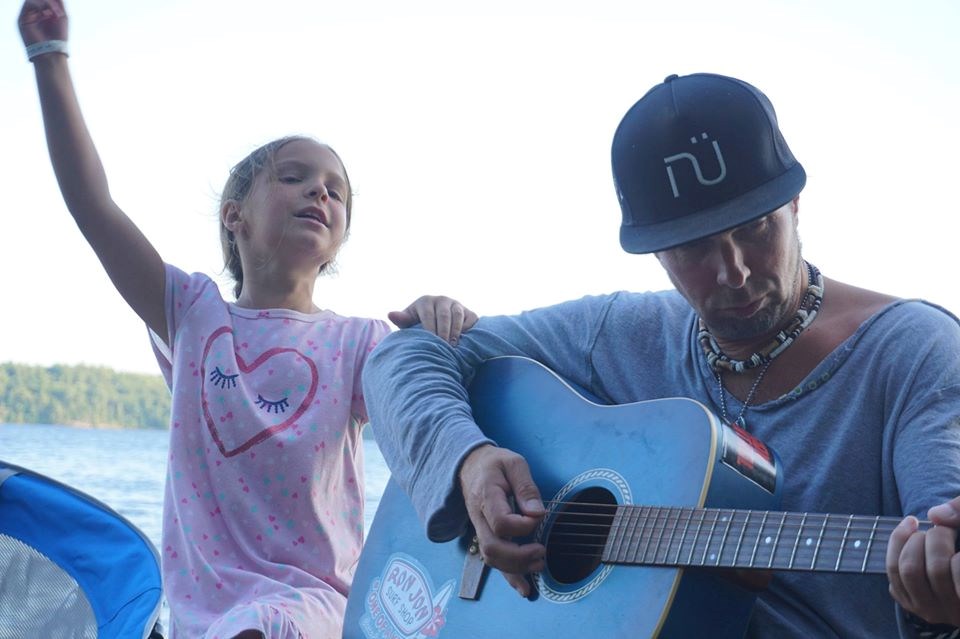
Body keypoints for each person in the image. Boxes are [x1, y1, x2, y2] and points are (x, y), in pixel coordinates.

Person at [362, 72, 960, 636]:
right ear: (657, 254)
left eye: (756, 228)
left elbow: (942, 531)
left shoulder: (914, 352)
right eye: (695, 248)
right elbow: (404, 356)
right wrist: (467, 461)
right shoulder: (624, 332)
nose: (734, 271)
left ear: (796, 207)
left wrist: (940, 604)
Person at [17, 2, 479, 638]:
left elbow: (437, 408)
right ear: (234, 217)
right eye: (295, 178)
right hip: (207, 615)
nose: (320, 192)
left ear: (340, 238)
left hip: (316, 604)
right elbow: (93, 207)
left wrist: (439, 328)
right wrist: (50, 59)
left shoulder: (361, 341)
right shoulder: (193, 315)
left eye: (335, 190)